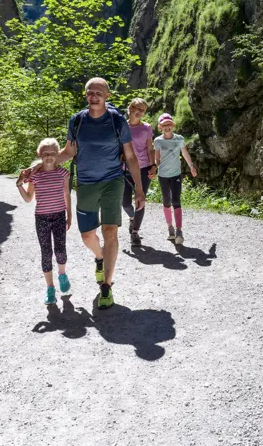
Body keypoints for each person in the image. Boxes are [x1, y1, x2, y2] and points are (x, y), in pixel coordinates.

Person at [24, 78, 145, 310]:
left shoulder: (117, 120)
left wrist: (139, 189)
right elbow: (68, 152)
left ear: (107, 95)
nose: (94, 96)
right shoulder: (77, 120)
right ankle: (99, 258)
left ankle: (107, 287)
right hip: (86, 183)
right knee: (87, 236)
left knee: (110, 231)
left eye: (99, 92)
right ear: (86, 95)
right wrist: (37, 166)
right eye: (90, 92)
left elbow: (130, 156)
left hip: (112, 181)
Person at [15, 138, 71, 305]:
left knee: (60, 250)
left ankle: (62, 274)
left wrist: (70, 217)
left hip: (60, 215)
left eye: (53, 153)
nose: (49, 157)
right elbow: (28, 198)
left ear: (57, 154)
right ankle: (50, 288)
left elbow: (67, 195)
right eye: (45, 154)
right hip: (42, 218)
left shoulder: (63, 174)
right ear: (39, 154)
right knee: (46, 252)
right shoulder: (35, 176)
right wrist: (19, 185)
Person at [152, 113, 197, 246]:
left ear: (173, 125)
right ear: (160, 127)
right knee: (166, 201)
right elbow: (157, 159)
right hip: (163, 176)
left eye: (169, 124)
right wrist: (154, 169)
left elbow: (185, 153)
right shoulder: (158, 141)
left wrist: (191, 167)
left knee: (176, 201)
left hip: (176, 175)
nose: (167, 127)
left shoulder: (179, 139)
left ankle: (179, 231)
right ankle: (170, 228)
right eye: (164, 125)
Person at [121, 98, 157, 248]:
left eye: (143, 110)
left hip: (143, 167)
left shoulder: (147, 128)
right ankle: (131, 218)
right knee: (125, 203)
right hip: (125, 168)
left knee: (140, 200)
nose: (140, 112)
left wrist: (154, 165)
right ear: (130, 108)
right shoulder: (122, 126)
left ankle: (135, 233)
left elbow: (150, 148)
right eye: (138, 108)